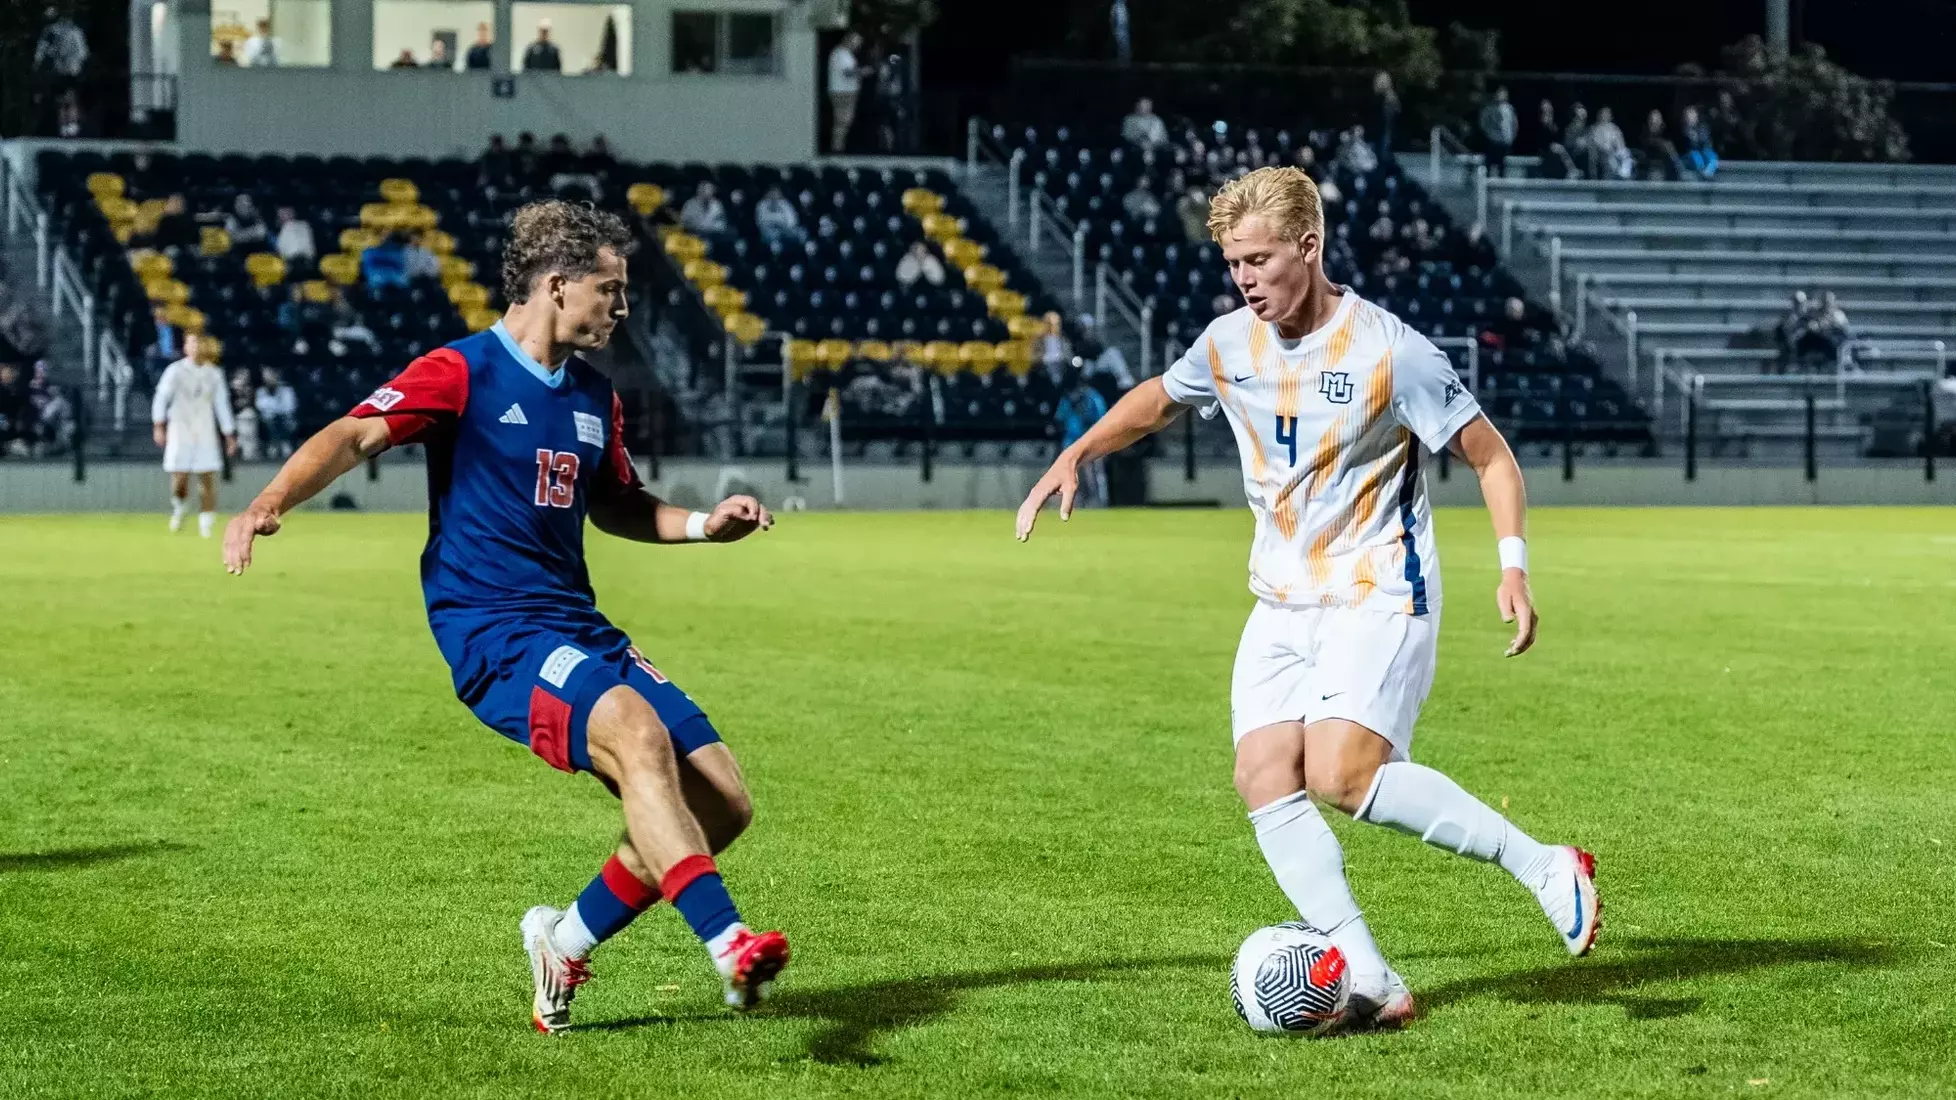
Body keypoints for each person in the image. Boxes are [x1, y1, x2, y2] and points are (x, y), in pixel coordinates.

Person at [1014, 166, 1597, 1030]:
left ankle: (1546, 866)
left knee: (1339, 773)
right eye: (1233, 262)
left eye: (1259, 258)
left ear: (1309, 247)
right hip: (1282, 602)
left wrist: (1512, 566)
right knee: (1263, 776)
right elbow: (1158, 400)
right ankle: (1372, 980)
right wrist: (1079, 452)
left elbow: (1491, 456)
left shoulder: (1390, 351)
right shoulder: (1230, 343)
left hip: (1378, 586)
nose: (1245, 278)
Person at [222, 200, 790, 1032]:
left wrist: (708, 524)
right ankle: (730, 946)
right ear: (558, 286)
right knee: (635, 733)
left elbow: (619, 505)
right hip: (495, 630)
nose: (622, 308)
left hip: (578, 626)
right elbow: (353, 435)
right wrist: (270, 500)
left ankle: (563, 940)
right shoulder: (462, 372)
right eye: (612, 290)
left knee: (724, 803)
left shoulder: (597, 396)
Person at [153, 332, 238, 537]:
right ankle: (180, 506)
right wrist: (159, 424)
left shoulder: (214, 373)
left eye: (199, 343)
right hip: (180, 429)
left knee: (207, 476)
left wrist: (229, 433)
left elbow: (221, 404)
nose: (196, 347)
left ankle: (206, 524)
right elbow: (161, 398)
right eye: (192, 343)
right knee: (179, 477)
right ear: (185, 347)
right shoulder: (175, 371)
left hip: (205, 430)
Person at [1053, 370, 1110, 507]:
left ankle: (1099, 504)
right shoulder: (1067, 398)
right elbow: (1059, 419)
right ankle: (1075, 505)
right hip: (1070, 444)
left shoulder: (1093, 397)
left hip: (1091, 443)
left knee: (1095, 476)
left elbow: (1103, 419)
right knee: (1073, 477)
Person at [826, 32, 862, 153]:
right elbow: (848, 72)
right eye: (856, 43)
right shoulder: (841, 54)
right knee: (842, 120)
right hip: (843, 92)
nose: (857, 46)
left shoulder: (844, 54)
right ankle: (837, 148)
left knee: (844, 121)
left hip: (845, 91)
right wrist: (862, 72)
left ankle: (839, 146)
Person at [254, 368, 298, 457]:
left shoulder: (287, 390)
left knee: (282, 419)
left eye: (272, 376)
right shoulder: (261, 392)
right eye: (267, 378)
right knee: (271, 419)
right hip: (268, 420)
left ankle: (285, 443)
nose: (270, 380)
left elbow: (290, 408)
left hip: (285, 419)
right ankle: (274, 444)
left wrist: (275, 409)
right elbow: (260, 406)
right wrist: (275, 408)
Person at [1479, 86, 1517, 178]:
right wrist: (1491, 135)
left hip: (1506, 141)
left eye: (1504, 94)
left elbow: (1514, 124)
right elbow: (1483, 123)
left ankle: (1501, 183)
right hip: (1494, 141)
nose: (1502, 96)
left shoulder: (1510, 109)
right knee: (1490, 164)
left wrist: (1512, 137)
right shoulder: (1490, 108)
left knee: (1503, 166)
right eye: (1500, 93)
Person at [1587, 106, 1629, 180]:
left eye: (1607, 114)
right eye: (1603, 114)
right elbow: (1595, 143)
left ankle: (1624, 173)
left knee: (1626, 153)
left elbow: (1620, 143)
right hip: (1600, 153)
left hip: (1615, 152)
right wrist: (1606, 148)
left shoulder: (1614, 128)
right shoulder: (1594, 129)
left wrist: (1619, 150)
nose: (1605, 116)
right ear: (1599, 115)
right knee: (1610, 159)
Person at [1638, 109, 1681, 181]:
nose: (1653, 124)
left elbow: (1676, 163)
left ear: (1661, 123)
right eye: (1651, 121)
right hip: (1645, 176)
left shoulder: (1667, 145)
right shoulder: (1642, 140)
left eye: (1656, 121)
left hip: (1663, 177)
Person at [1680, 106, 1719, 180]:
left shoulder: (1703, 127)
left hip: (1704, 150)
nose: (1690, 118)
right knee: (1696, 156)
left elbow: (1706, 141)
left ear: (1696, 117)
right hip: (1691, 153)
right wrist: (1691, 137)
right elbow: (1687, 145)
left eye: (1692, 116)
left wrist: (1698, 138)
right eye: (1688, 116)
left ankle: (1708, 173)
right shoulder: (1684, 130)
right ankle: (1702, 174)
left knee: (1712, 156)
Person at [1372, 72, 1399, 166]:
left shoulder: (1389, 99)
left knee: (1383, 158)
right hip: (1385, 132)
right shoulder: (1388, 98)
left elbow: (1387, 118)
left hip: (1385, 133)